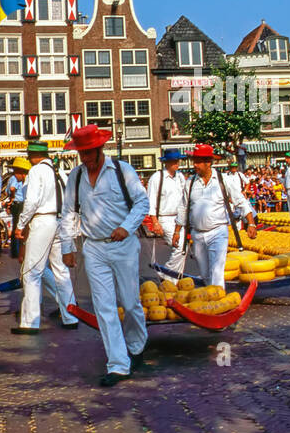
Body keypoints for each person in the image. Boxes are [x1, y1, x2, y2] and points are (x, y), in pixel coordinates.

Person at [61, 124, 149, 387]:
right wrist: (68, 247)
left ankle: (136, 345)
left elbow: (142, 203)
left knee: (130, 302)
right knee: (104, 306)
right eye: (81, 153)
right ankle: (118, 365)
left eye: (88, 153)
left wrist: (127, 227)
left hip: (123, 246)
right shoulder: (75, 177)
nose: (84, 158)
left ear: (100, 149)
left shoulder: (123, 171)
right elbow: (68, 212)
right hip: (94, 247)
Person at [15, 140, 79, 334]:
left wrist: (21, 224)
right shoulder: (59, 171)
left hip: (43, 220)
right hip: (60, 221)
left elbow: (32, 201)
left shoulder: (36, 171)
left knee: (32, 271)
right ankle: (71, 316)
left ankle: (30, 322)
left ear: (32, 156)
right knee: (61, 271)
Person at [174, 144, 256, 289]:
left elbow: (240, 201)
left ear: (208, 163)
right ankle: (211, 296)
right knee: (205, 274)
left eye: (198, 162)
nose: (195, 165)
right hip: (197, 235)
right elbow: (183, 207)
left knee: (217, 271)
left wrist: (251, 223)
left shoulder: (223, 180)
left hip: (217, 232)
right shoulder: (190, 182)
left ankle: (218, 301)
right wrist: (177, 231)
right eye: (194, 161)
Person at [145, 149, 187, 278]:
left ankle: (173, 279)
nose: (177, 163)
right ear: (167, 163)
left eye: (177, 160)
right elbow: (150, 200)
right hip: (165, 218)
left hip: (180, 218)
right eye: (174, 161)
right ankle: (166, 275)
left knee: (183, 250)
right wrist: (155, 221)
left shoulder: (180, 177)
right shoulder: (157, 178)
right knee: (179, 247)